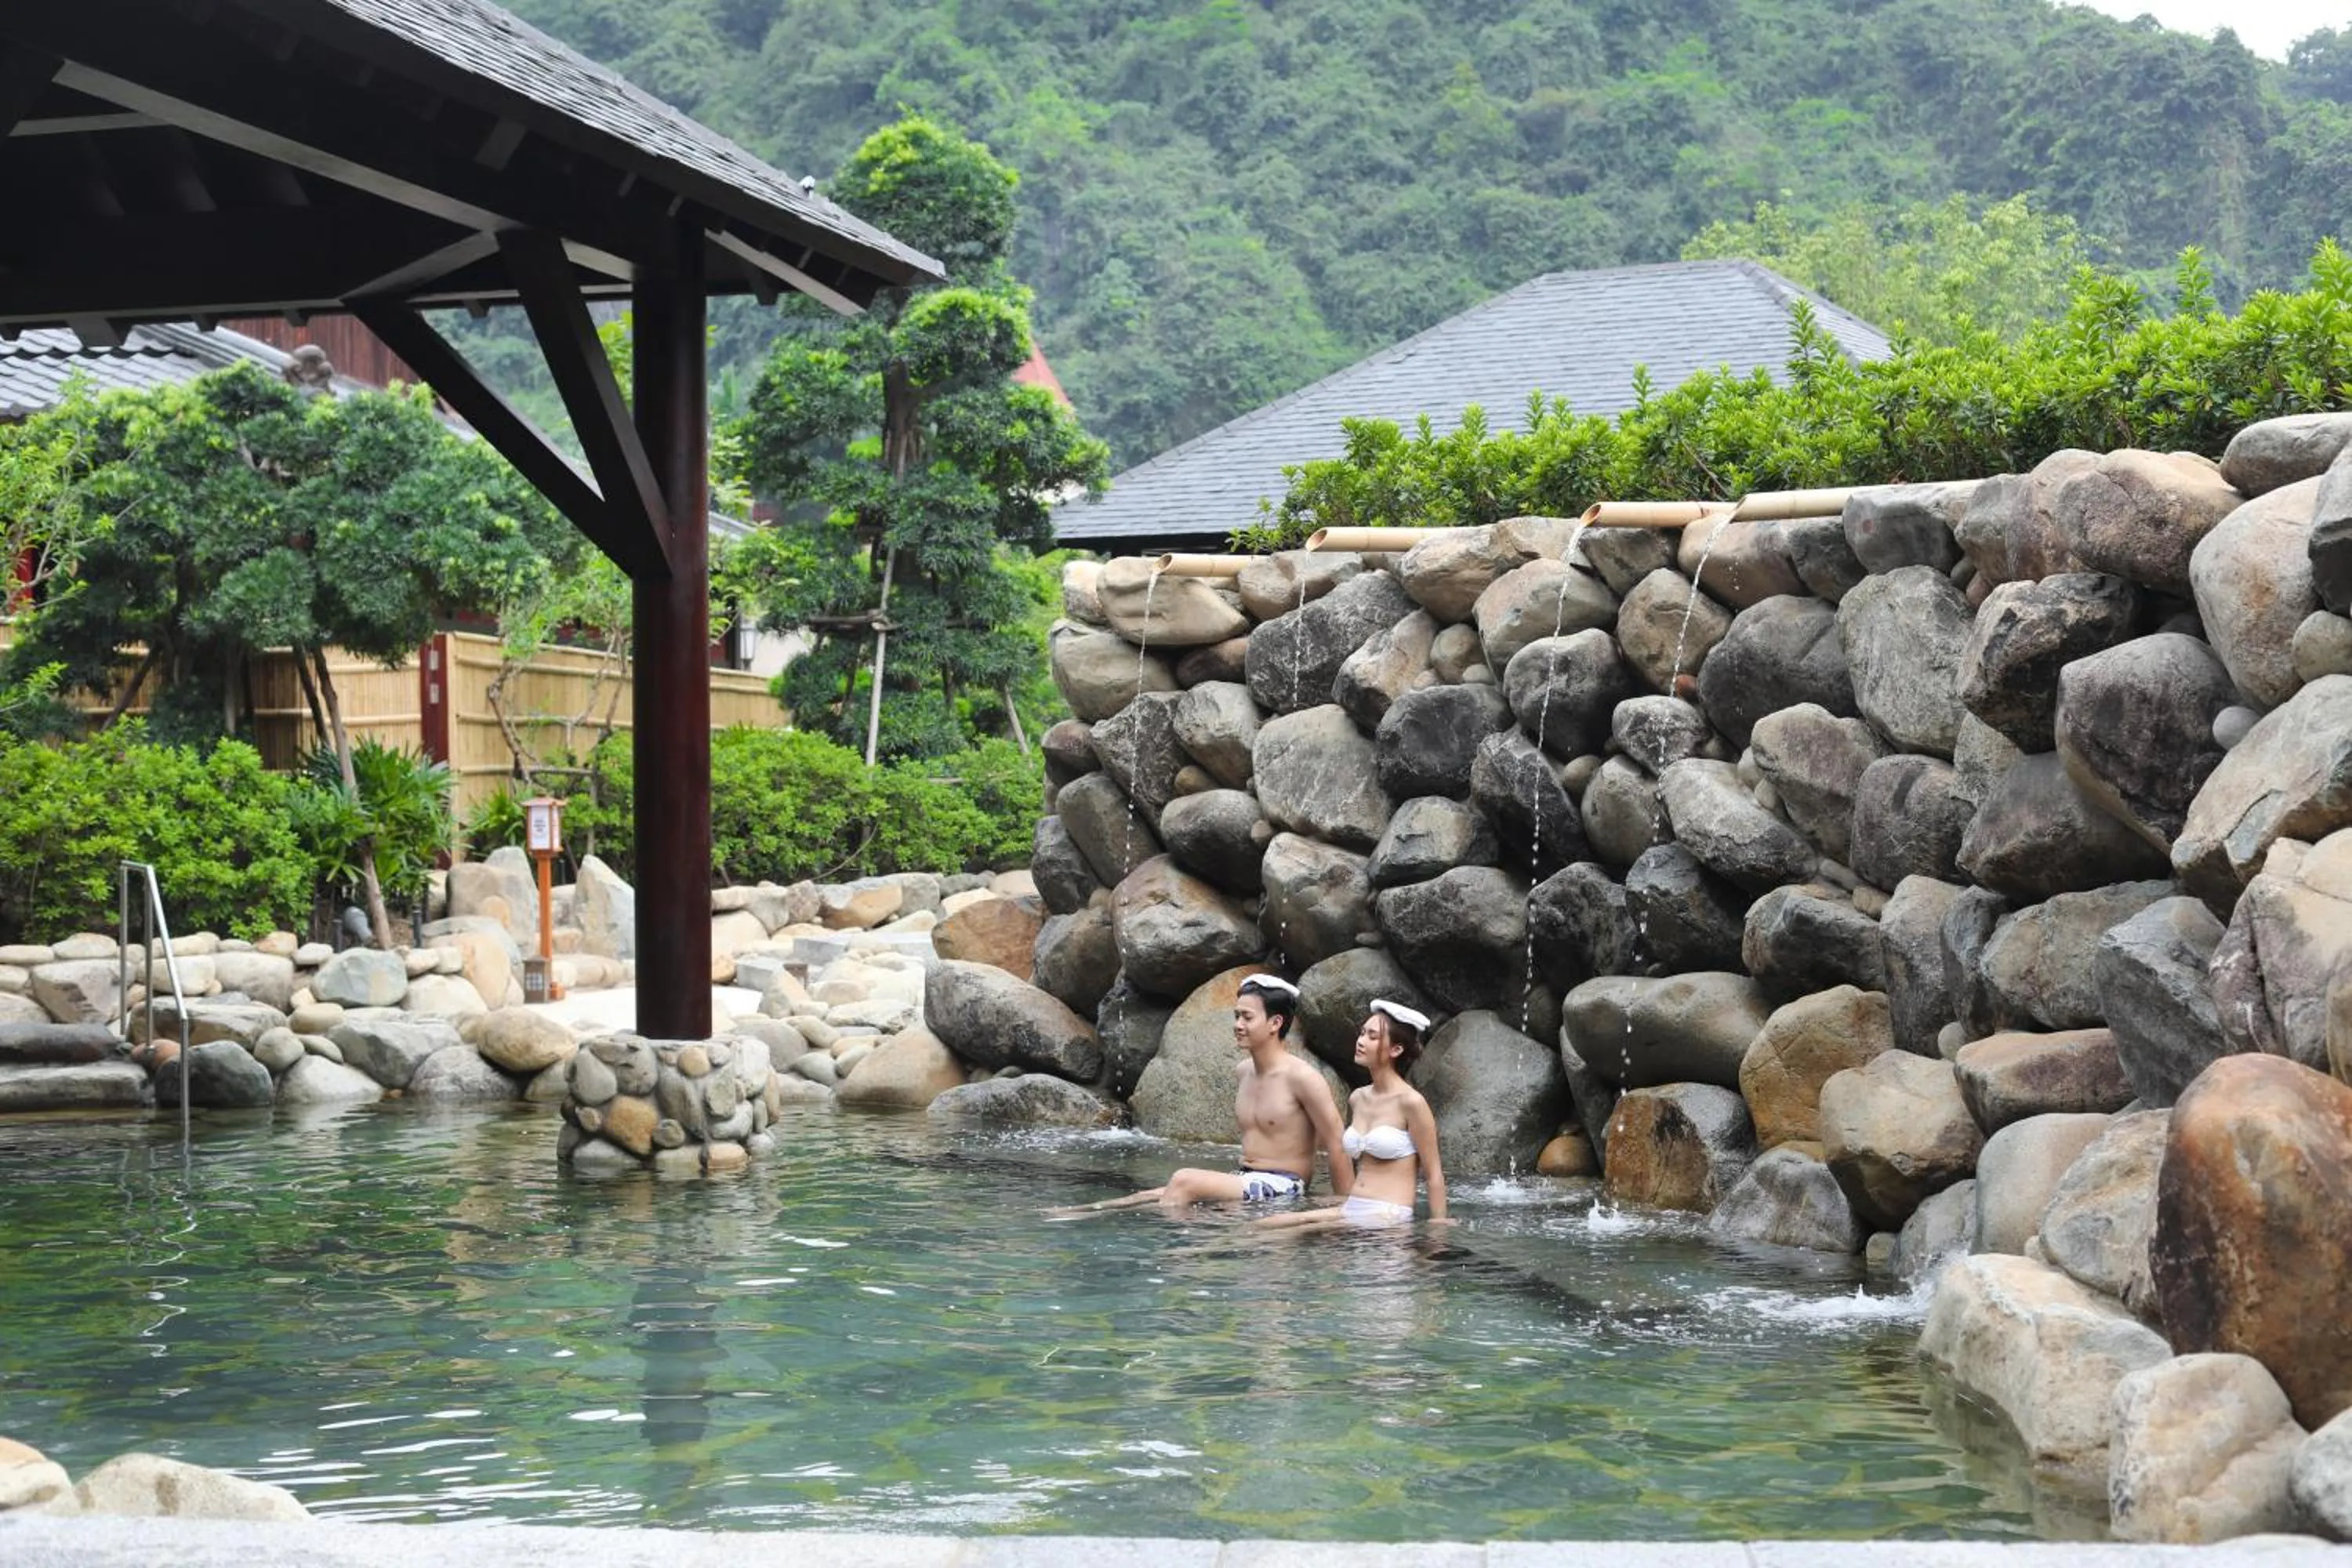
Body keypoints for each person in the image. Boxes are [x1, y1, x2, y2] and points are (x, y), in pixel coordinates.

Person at [1053, 975, 1353, 1214]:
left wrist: (1345, 1207)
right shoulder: (1244, 1071)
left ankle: (1174, 1255)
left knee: (1184, 1180)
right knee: (1150, 1194)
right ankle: (1081, 1212)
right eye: (1236, 1016)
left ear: (1275, 1023)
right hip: (1246, 1178)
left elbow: (1337, 1143)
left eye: (1247, 1018)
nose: (1238, 1025)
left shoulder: (1302, 1078)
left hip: (1285, 1185)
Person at [1258, 999, 1447, 1230]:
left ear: (1396, 1049)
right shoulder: (1357, 1098)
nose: (1361, 1041)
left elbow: (1434, 1174)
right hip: (1353, 1208)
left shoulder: (1411, 1103)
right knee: (1266, 1225)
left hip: (1388, 1215)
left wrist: (1438, 1229)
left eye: (1372, 1036)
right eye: (1362, 1033)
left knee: (1295, 1232)